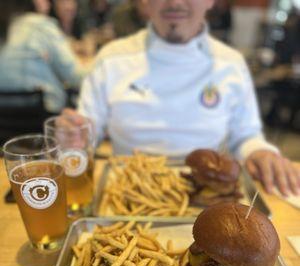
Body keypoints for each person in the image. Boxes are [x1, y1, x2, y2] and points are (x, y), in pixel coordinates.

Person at [62, 0, 300, 196]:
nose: (175, 3)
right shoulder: (111, 59)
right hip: (127, 192)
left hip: (207, 195)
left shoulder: (231, 63)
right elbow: (86, 133)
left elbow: (246, 135)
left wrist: (259, 152)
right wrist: (74, 136)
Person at [0, 0, 88, 113]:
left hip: (4, 121)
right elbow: (75, 77)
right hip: (44, 118)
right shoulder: (40, 25)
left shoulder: (6, 24)